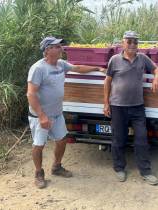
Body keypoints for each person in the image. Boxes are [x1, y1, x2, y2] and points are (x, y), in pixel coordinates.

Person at [27, 36, 105, 189]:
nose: (61, 48)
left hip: (57, 113)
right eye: (56, 46)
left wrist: (97, 68)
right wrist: (42, 116)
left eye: (60, 46)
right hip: (40, 116)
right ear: (48, 50)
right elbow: (31, 94)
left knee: (62, 139)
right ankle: (38, 173)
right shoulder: (38, 68)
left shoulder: (60, 64)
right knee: (39, 145)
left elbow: (77, 68)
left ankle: (56, 167)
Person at [103, 31, 158, 185]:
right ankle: (119, 168)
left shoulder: (143, 58)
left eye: (135, 42)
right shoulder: (114, 60)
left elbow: (156, 68)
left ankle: (146, 171)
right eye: (129, 41)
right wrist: (106, 103)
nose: (132, 45)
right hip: (117, 106)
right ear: (123, 43)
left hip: (137, 107)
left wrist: (156, 77)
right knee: (118, 139)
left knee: (142, 139)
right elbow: (107, 82)